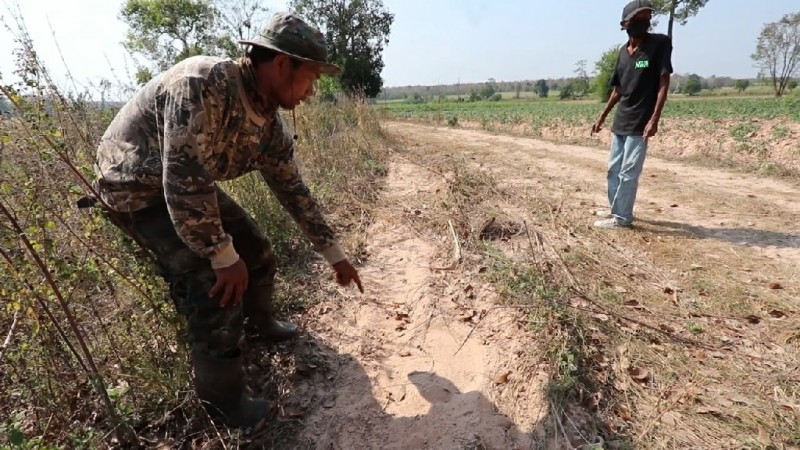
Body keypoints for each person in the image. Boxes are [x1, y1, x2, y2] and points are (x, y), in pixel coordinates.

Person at [89, 11, 363, 427]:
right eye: (311, 77)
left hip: (184, 183)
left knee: (255, 251)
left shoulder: (268, 123)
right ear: (282, 64)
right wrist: (220, 255)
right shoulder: (200, 84)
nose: (311, 92)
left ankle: (262, 322)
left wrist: (335, 255)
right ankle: (224, 405)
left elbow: (293, 191)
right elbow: (180, 181)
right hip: (134, 189)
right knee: (211, 286)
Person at [591, 0, 673, 229]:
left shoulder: (659, 44)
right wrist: (602, 117)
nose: (643, 22)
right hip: (621, 121)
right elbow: (617, 90)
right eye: (638, 18)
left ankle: (622, 219)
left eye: (647, 18)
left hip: (641, 122)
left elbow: (663, 82)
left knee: (628, 173)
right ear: (625, 23)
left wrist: (654, 119)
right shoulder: (622, 53)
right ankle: (615, 208)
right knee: (613, 170)